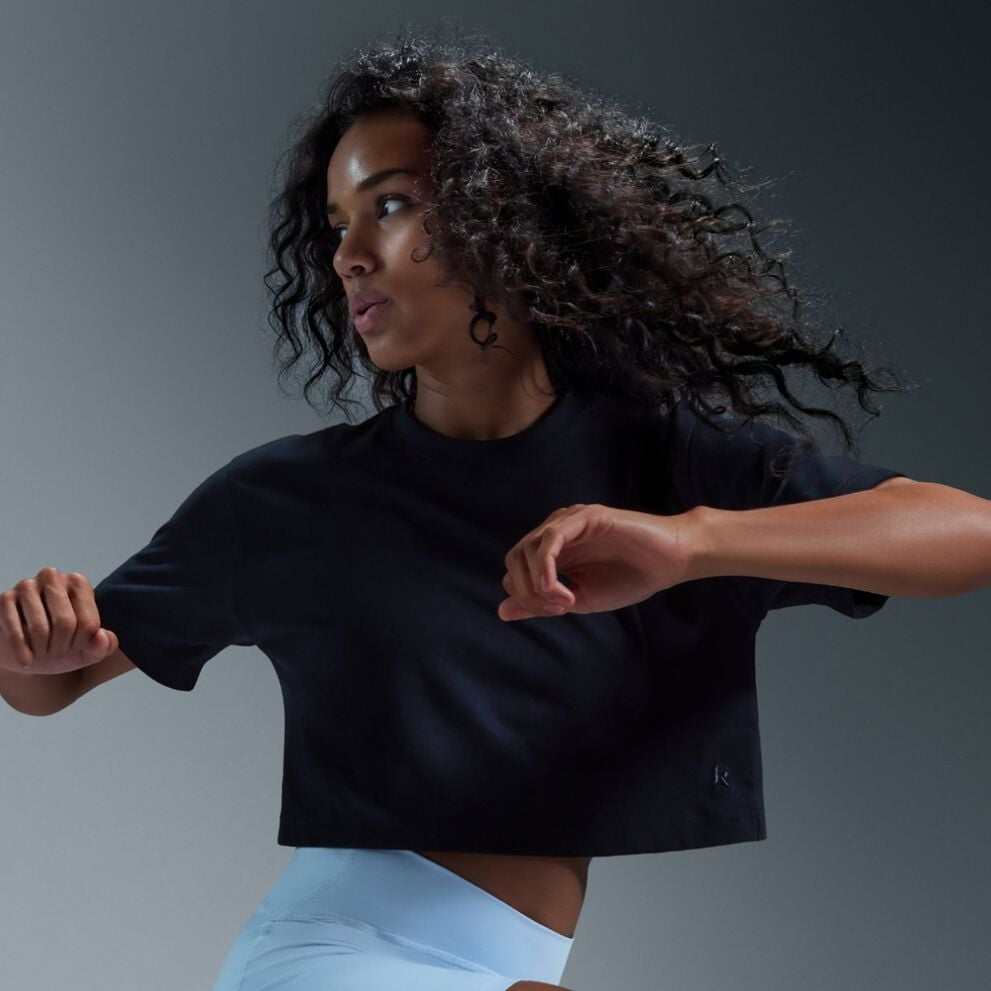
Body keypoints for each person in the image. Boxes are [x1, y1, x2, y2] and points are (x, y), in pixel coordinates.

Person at [2, 24, 989, 991]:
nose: (346, 255)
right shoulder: (285, 500)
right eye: (335, 225)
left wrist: (695, 543)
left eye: (386, 205)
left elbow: (968, 531)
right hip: (333, 951)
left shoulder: (660, 464)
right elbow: (55, 679)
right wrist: (28, 648)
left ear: (497, 216)